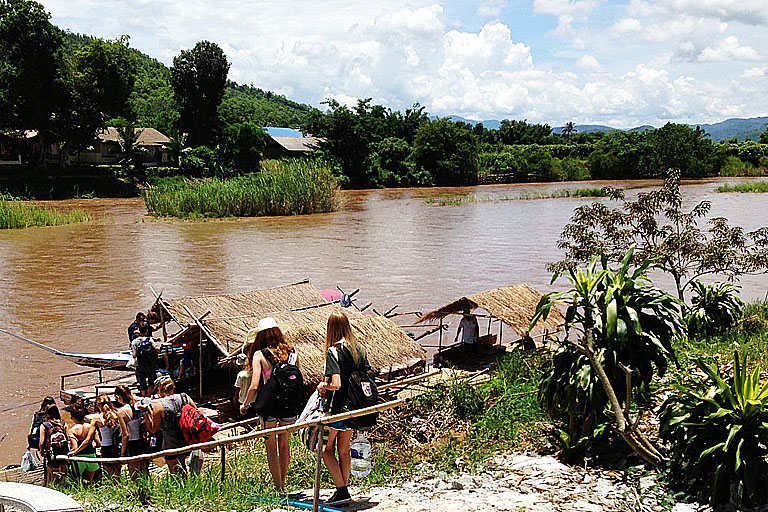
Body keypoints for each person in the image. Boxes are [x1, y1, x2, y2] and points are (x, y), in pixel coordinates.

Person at [316, 311, 371, 506]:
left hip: (339, 407)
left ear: (330, 329)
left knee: (324, 449)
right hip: (356, 406)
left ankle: (342, 490)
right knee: (344, 450)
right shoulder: (359, 349)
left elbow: (336, 384)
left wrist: (323, 386)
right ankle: (344, 491)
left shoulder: (333, 351)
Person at [240, 318, 299, 492]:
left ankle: (278, 487)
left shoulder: (259, 354)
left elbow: (255, 385)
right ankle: (284, 482)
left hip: (269, 406)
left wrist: (245, 404)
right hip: (288, 404)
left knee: (271, 447)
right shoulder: (291, 352)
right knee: (285, 444)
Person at [142, 377, 195, 475]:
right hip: (186, 438)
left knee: (174, 471)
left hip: (170, 442)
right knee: (183, 466)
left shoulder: (159, 405)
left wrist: (145, 413)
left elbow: (153, 429)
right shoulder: (184, 397)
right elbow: (196, 414)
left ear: (159, 389)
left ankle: (182, 489)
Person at [69, 395, 122, 479]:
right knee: (117, 475)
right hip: (118, 447)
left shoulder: (97, 418)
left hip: (106, 449)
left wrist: (76, 451)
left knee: (110, 476)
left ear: (98, 405)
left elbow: (88, 440)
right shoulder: (117, 414)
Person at [115, 385, 149, 480]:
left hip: (132, 444)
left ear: (119, 397)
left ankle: (137, 493)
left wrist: (122, 453)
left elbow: (125, 435)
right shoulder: (137, 404)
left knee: (134, 474)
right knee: (145, 472)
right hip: (143, 441)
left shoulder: (121, 412)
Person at [39, 405, 71, 484]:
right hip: (64, 450)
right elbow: (68, 438)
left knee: (52, 473)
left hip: (52, 452)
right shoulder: (63, 423)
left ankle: (52, 487)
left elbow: (41, 442)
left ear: (47, 414)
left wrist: (41, 450)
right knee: (64, 472)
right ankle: (65, 486)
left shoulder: (44, 425)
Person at [67, 407, 99, 484]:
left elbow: (75, 447)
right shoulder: (91, 427)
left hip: (79, 459)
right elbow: (98, 443)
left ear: (73, 418)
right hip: (91, 458)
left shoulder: (72, 430)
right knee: (89, 482)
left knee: (76, 481)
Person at [131, 322, 159, 397]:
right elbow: (157, 349)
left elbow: (134, 355)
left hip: (141, 365)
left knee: (142, 383)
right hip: (150, 365)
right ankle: (148, 396)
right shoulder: (150, 340)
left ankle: (144, 397)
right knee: (151, 382)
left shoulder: (134, 342)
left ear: (138, 330)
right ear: (147, 330)